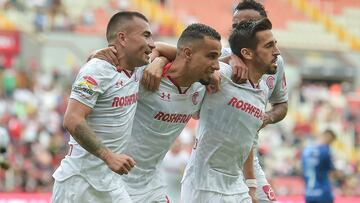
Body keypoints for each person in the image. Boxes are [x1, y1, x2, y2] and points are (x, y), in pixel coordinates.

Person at [52, 11, 155, 203]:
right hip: (79, 183)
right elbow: (72, 119)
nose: (152, 44)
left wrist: (162, 61)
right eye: (146, 35)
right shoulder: (97, 69)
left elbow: (177, 52)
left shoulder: (138, 69)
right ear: (122, 38)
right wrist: (108, 156)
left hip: (110, 183)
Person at [181, 18, 280, 203]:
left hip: (237, 188)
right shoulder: (221, 74)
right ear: (247, 53)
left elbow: (247, 138)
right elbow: (183, 60)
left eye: (275, 44)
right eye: (269, 46)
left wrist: (251, 187)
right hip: (203, 187)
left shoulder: (263, 90)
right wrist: (159, 58)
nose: (277, 52)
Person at [301, 129, 337, 203]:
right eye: (331, 141)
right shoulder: (325, 150)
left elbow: (303, 170)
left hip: (309, 193)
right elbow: (331, 172)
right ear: (328, 137)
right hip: (323, 192)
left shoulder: (306, 150)